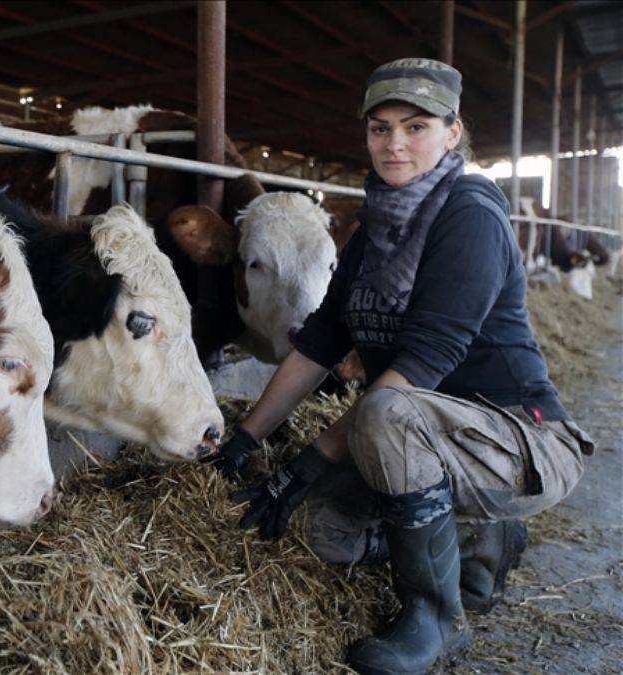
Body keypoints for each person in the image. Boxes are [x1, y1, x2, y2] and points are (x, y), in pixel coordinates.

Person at [203, 58, 596, 674]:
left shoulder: (470, 214)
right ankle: (466, 538)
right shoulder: (375, 228)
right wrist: (244, 440)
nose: (395, 144)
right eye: (380, 128)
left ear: (452, 132)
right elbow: (322, 341)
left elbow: (423, 365)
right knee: (319, 530)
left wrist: (307, 460)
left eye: (416, 126)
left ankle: (437, 619)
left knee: (383, 415)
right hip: (425, 437)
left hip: (520, 442)